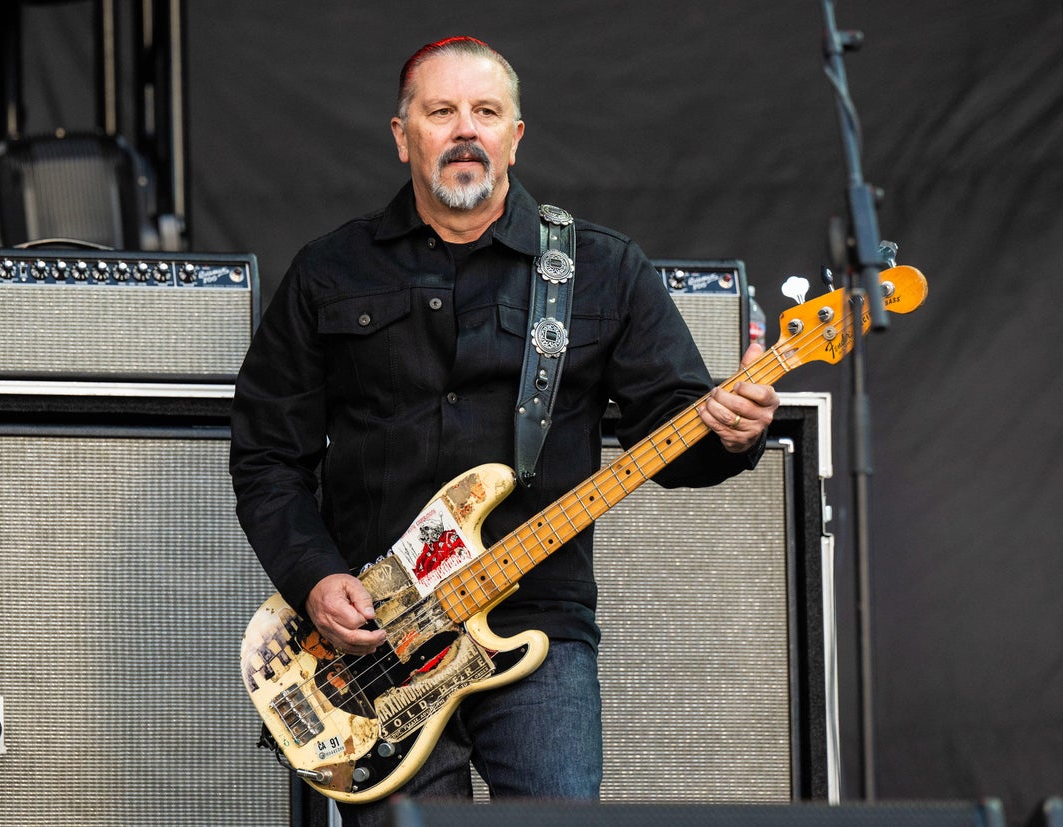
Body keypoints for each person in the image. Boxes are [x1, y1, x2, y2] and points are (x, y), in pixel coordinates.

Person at [229, 35, 780, 825]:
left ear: (515, 137)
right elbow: (267, 456)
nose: (466, 129)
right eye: (441, 111)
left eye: (486, 112)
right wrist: (315, 578)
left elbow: (669, 435)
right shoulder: (330, 271)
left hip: (536, 623)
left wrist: (732, 431)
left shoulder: (604, 269)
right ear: (402, 136)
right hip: (374, 641)